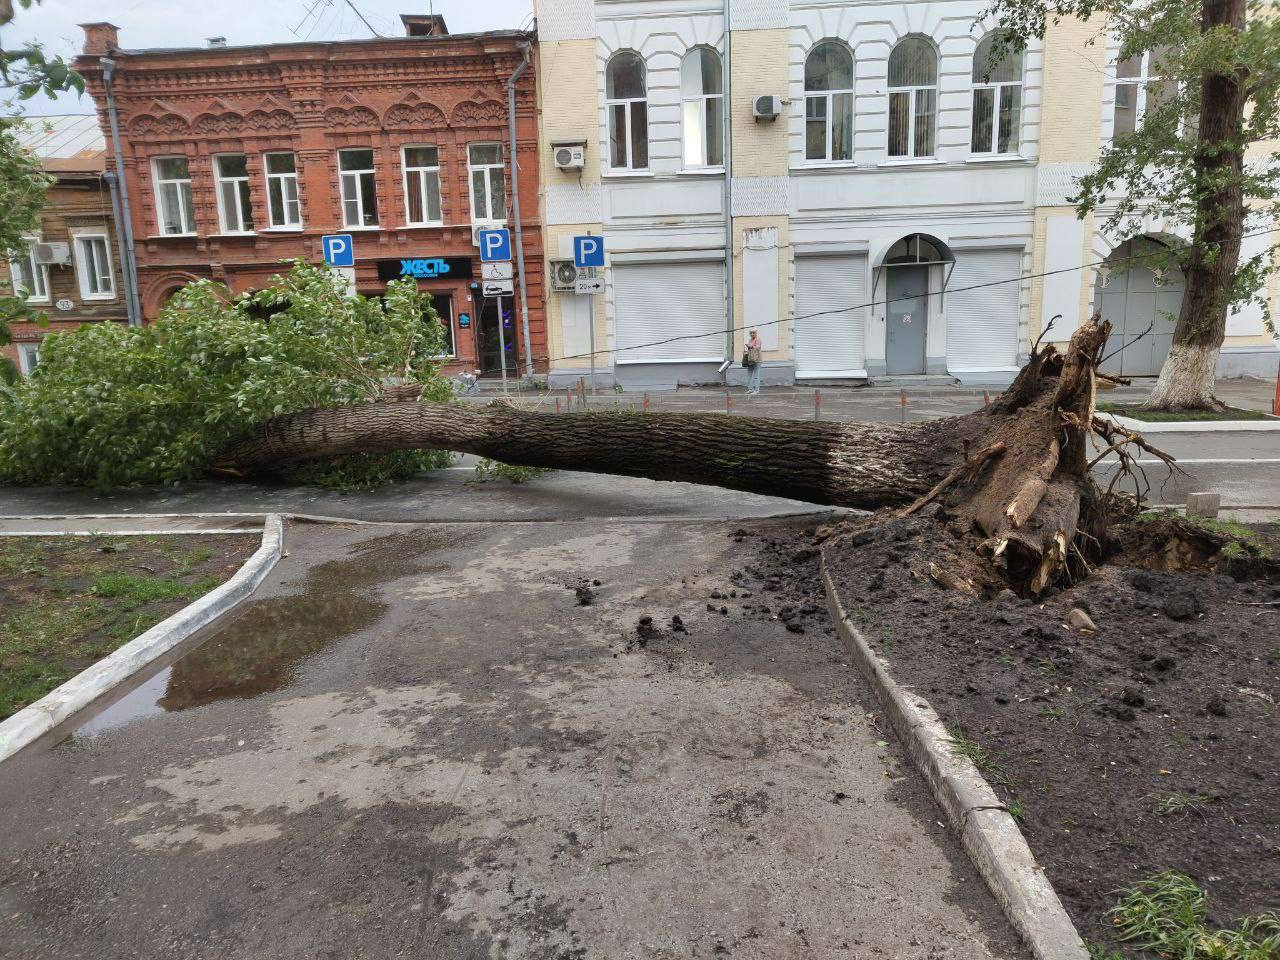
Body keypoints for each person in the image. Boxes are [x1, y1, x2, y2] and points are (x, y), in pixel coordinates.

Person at [744, 329, 763, 396]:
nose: (752, 334)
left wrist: (751, 346)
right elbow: (750, 348)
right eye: (751, 333)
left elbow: (758, 347)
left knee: (756, 375)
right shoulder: (750, 340)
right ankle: (750, 389)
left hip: (757, 360)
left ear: (756, 333)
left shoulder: (758, 339)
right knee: (749, 374)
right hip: (751, 359)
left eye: (753, 333)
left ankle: (756, 390)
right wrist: (748, 346)